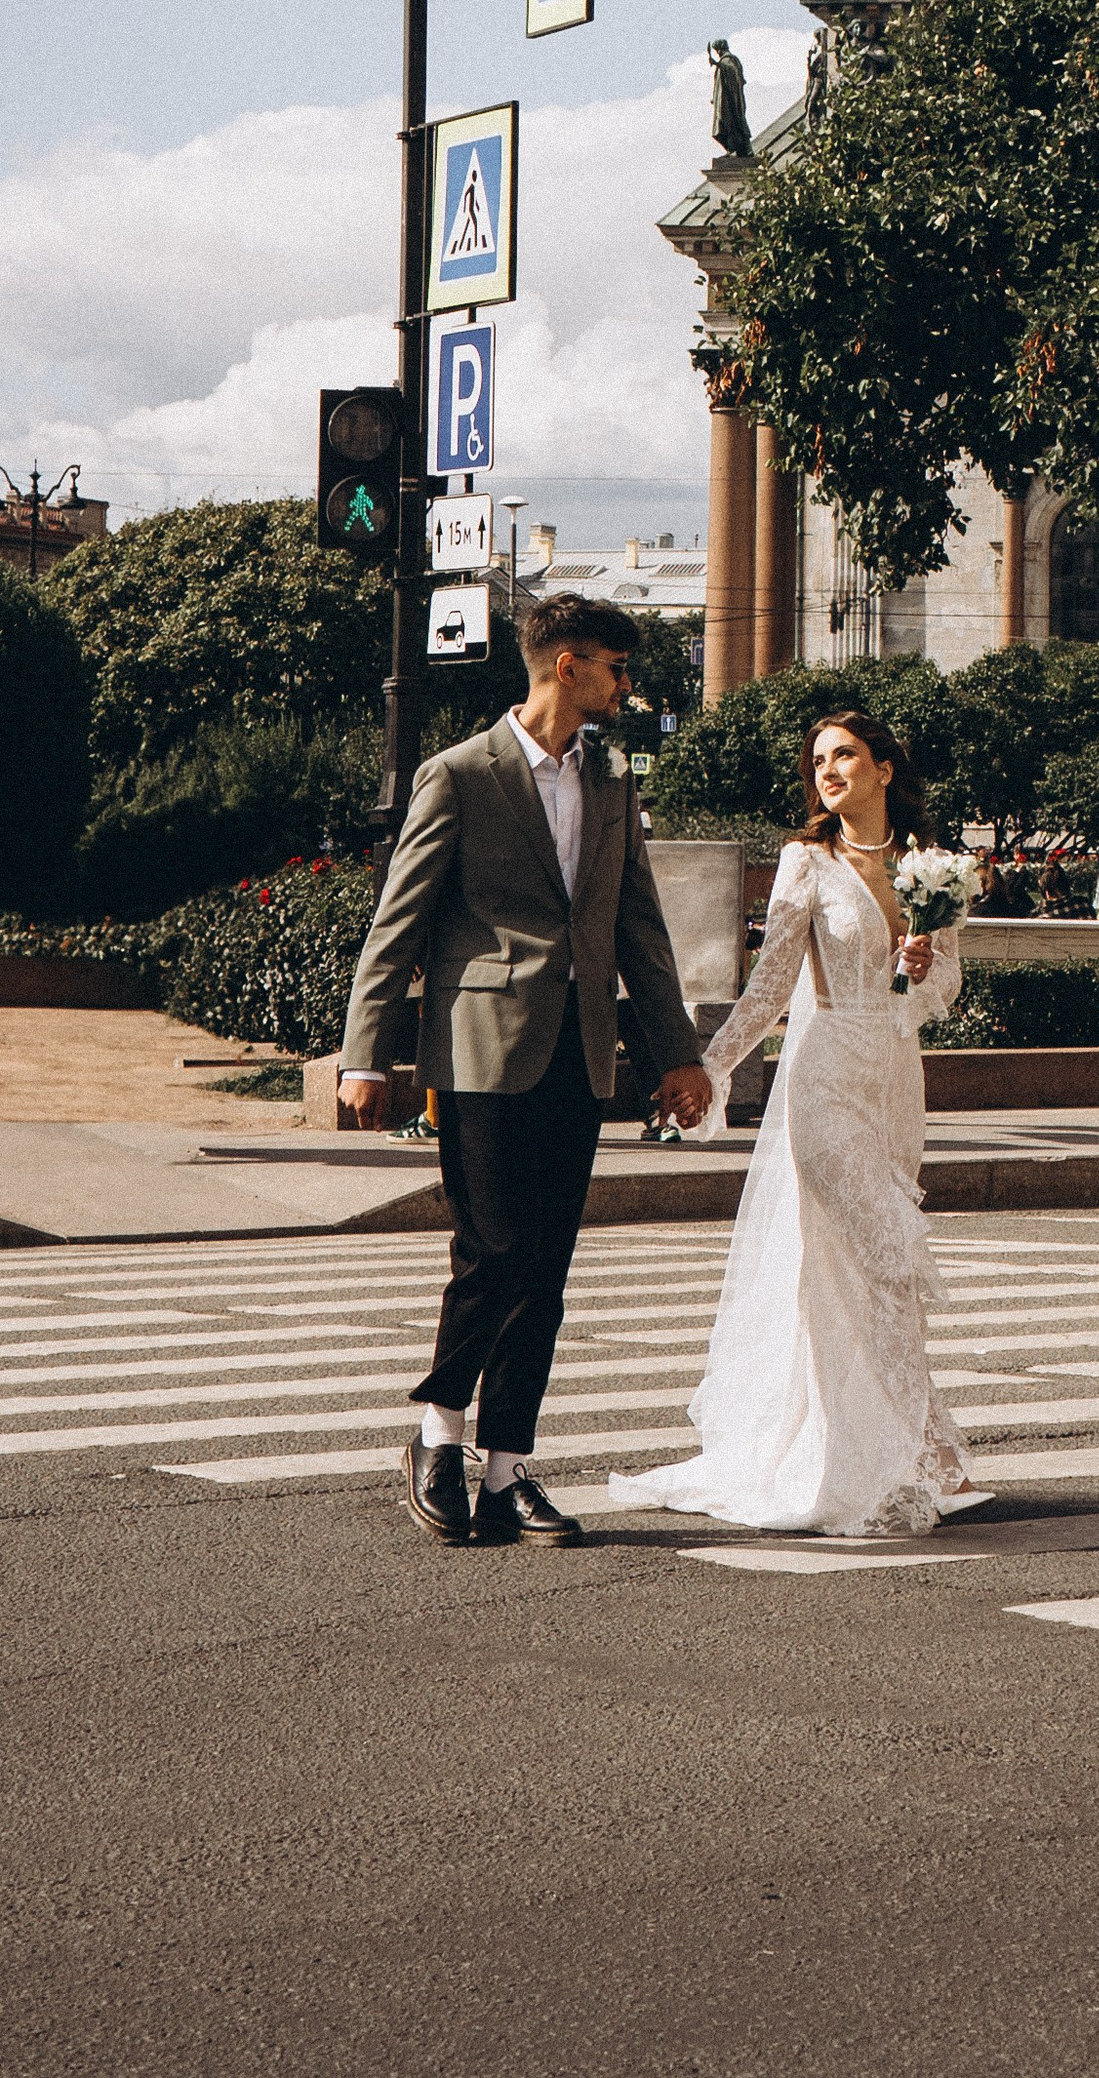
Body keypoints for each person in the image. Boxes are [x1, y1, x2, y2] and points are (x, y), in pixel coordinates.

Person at [338, 595, 710, 1549]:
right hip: (479, 1048)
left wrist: (676, 1055)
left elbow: (640, 927)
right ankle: (436, 1435)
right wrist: (365, 1055)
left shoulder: (613, 779)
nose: (629, 688)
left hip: (580, 1053)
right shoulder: (461, 774)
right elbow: (399, 924)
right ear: (570, 665)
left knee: (545, 1268)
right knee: (491, 1250)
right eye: (619, 671)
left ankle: (505, 1474)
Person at [609, 712, 980, 1536]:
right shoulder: (804, 862)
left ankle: (871, 1441)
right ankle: (894, 1469)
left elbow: (944, 992)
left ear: (884, 767)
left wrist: (919, 969)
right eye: (817, 760)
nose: (827, 769)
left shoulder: (931, 867)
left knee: (857, 1274)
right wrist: (711, 1065)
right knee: (890, 1255)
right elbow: (774, 983)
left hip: (895, 1082)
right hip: (823, 1081)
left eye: (844, 754)